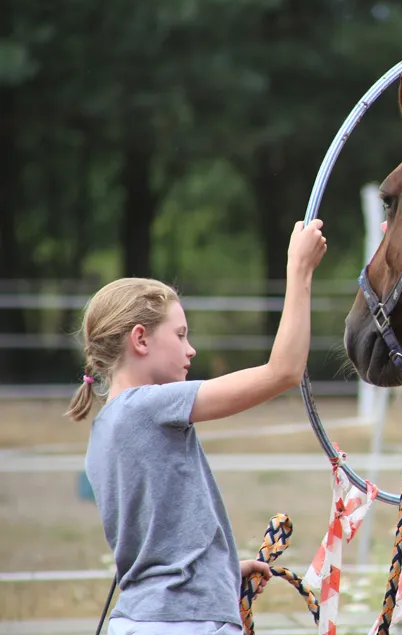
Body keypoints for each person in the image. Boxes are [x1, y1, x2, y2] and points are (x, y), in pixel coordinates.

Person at [68, 219, 328, 635]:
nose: (191, 349)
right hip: (186, 623)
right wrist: (300, 271)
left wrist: (219, 573)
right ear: (140, 339)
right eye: (180, 335)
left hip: (145, 617)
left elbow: (158, 546)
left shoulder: (105, 429)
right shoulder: (150, 406)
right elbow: (283, 372)